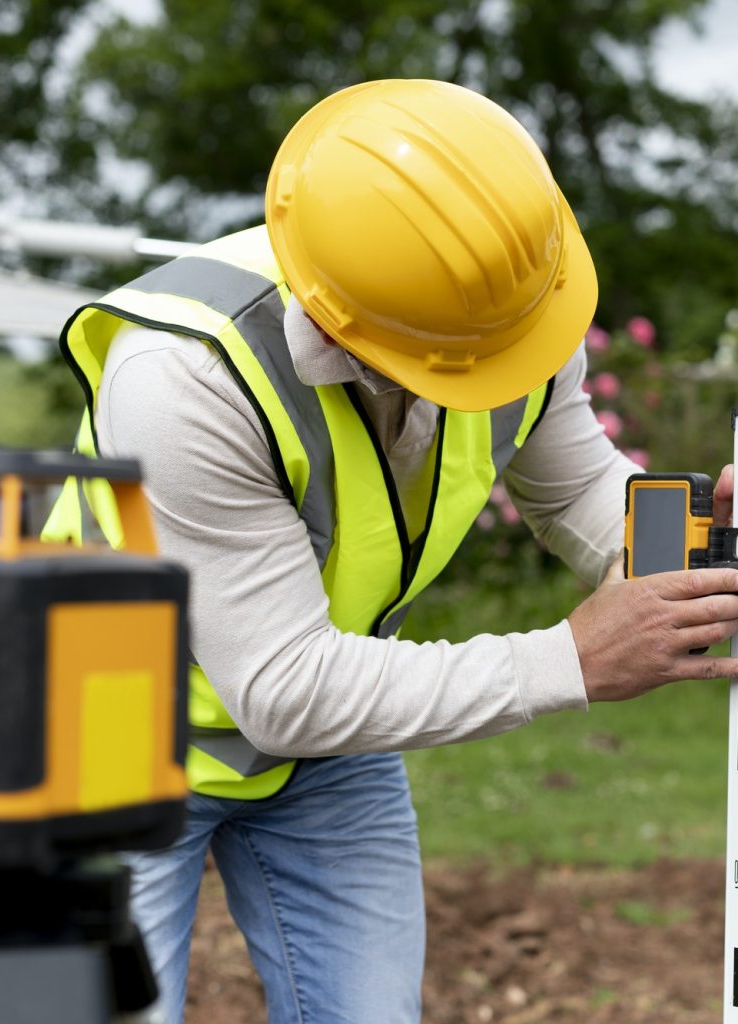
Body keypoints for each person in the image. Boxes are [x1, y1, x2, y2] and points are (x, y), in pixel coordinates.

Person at [57, 79, 738, 1023]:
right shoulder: (184, 379)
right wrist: (570, 660)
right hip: (98, 742)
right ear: (347, 336)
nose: (518, 358)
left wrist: (702, 551)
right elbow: (283, 688)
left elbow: (575, 487)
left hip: (331, 739)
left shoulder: (507, 303)